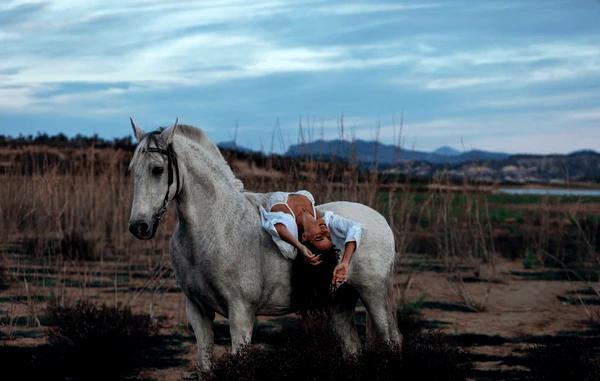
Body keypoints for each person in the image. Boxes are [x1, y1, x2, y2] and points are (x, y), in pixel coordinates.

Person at [259, 190, 362, 287]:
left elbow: (278, 227)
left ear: (304, 236)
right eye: (329, 237)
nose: (325, 231)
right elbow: (354, 228)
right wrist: (345, 262)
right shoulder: (324, 219)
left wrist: (300, 246)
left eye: (319, 237)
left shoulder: (289, 221)